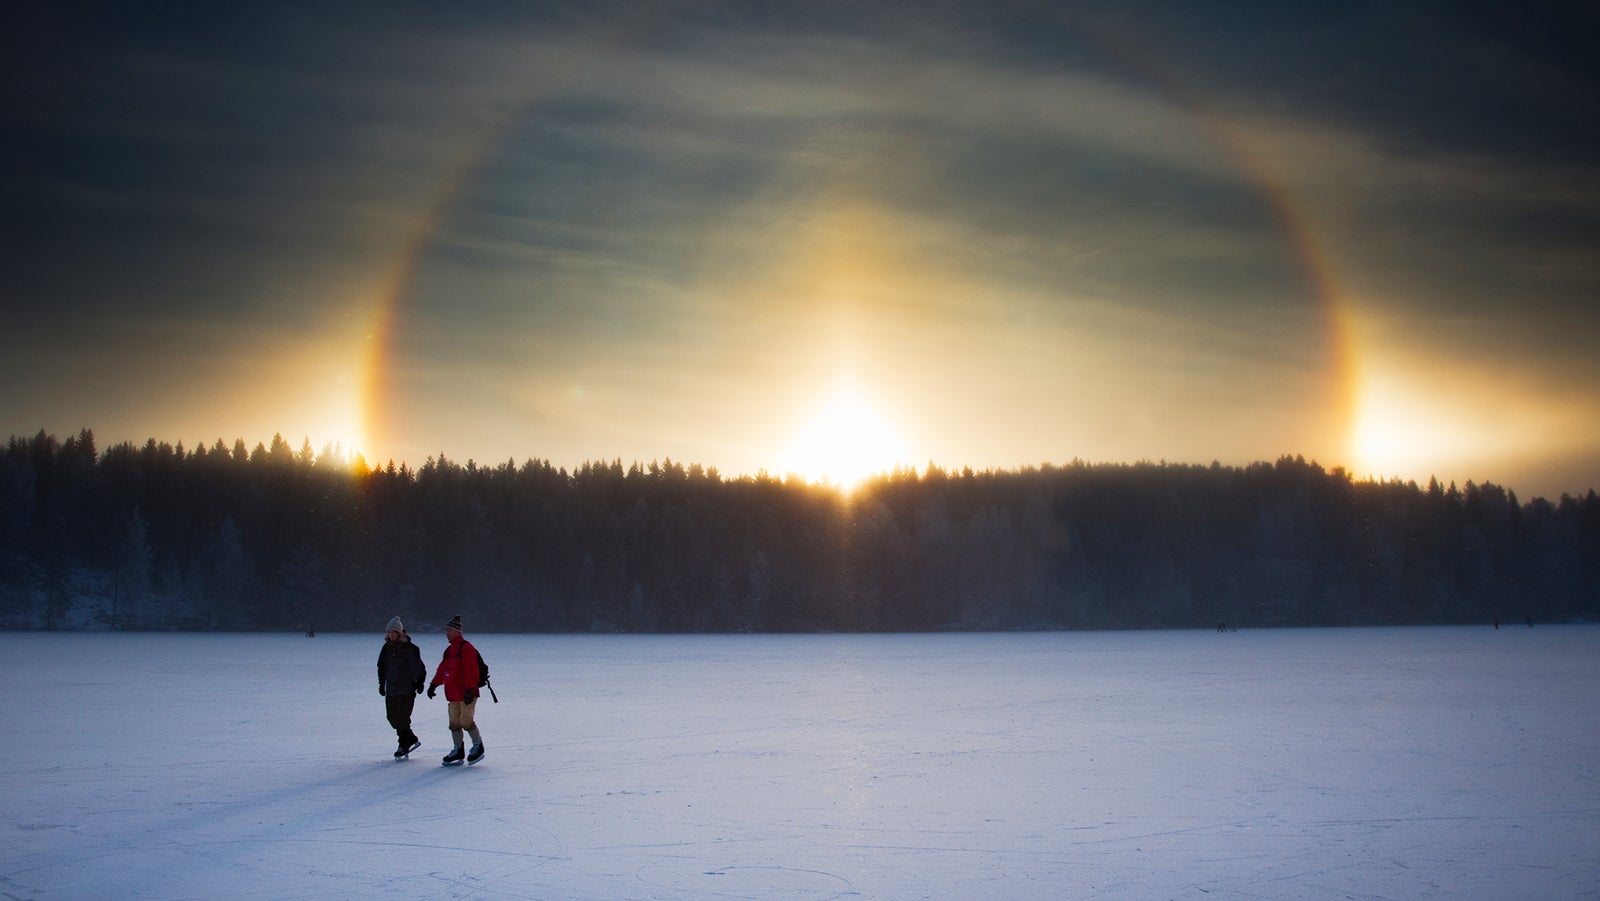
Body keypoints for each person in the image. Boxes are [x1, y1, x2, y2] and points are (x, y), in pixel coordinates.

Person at [427, 614, 485, 765]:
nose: (446, 633)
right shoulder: (449, 650)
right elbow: (443, 669)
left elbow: (471, 670)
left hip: (466, 693)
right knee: (454, 723)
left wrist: (470, 689)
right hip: (452, 693)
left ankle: (478, 746)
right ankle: (458, 750)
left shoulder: (466, 648)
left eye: (449, 630)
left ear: (457, 632)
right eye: (446, 630)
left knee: (466, 721)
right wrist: (434, 684)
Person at [377, 616, 427, 759]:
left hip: (406, 689)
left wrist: (420, 682)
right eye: (389, 632)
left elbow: (419, 667)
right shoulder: (386, 648)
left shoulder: (410, 649)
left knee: (403, 718)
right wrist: (381, 683)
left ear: (400, 633)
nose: (392, 635)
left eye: (395, 632)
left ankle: (403, 745)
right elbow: (381, 667)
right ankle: (410, 738)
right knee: (392, 717)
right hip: (392, 688)